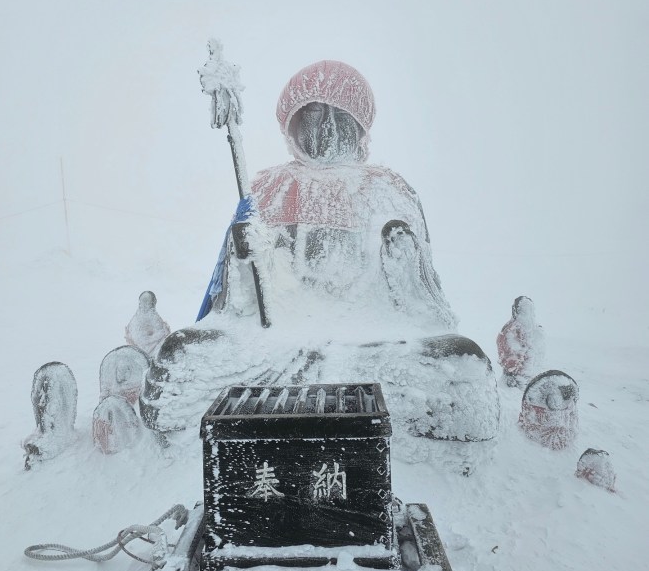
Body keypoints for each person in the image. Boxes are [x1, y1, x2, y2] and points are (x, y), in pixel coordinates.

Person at [140, 60, 499, 444]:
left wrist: (403, 265)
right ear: (292, 123)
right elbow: (236, 305)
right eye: (312, 115)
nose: (325, 129)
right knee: (180, 357)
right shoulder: (267, 188)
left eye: (338, 117)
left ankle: (302, 395)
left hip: (372, 348)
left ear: (359, 125)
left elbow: (428, 310)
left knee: (461, 365)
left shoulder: (389, 189)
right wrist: (244, 256)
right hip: (274, 347)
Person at [496, 296, 545, 388]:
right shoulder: (510, 330)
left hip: (528, 378)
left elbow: (538, 353)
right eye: (524, 311)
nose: (528, 314)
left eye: (530, 310)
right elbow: (508, 357)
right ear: (516, 311)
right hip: (514, 379)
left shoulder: (535, 330)